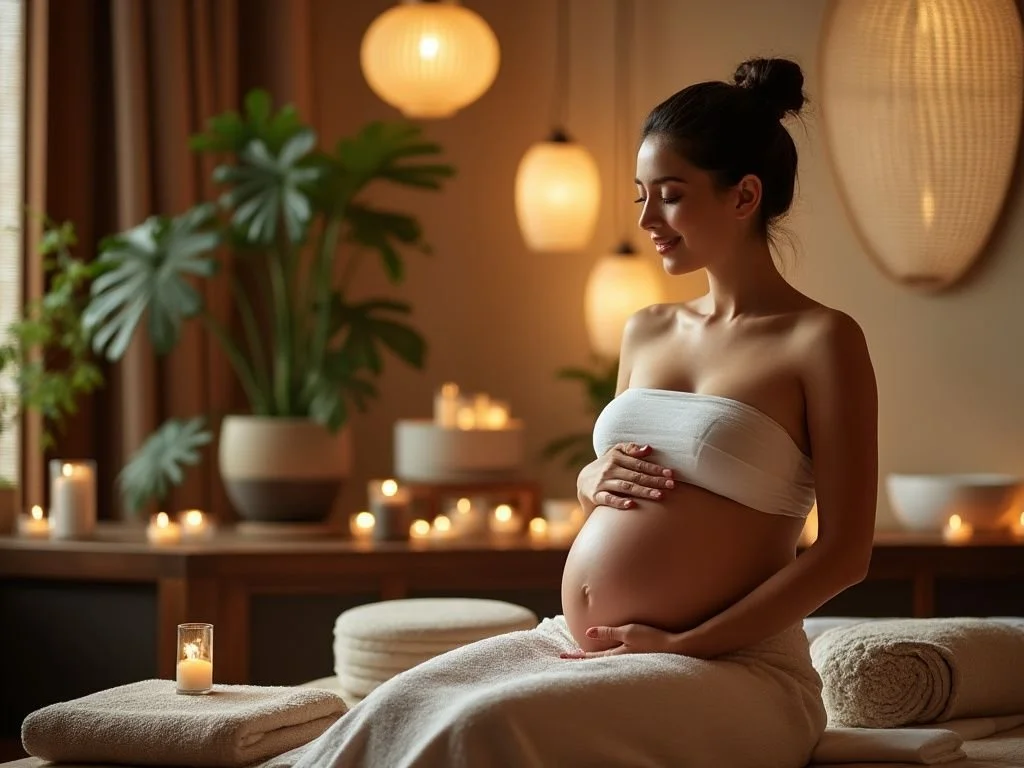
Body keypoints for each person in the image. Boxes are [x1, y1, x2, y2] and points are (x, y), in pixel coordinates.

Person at [294, 56, 878, 768]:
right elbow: (621, 487)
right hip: (580, 643)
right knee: (392, 709)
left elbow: (845, 553)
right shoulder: (646, 328)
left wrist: (683, 644)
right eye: (641, 194)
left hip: (733, 666)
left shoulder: (821, 340)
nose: (645, 219)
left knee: (483, 726)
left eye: (669, 194)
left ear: (744, 195)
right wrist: (589, 478)